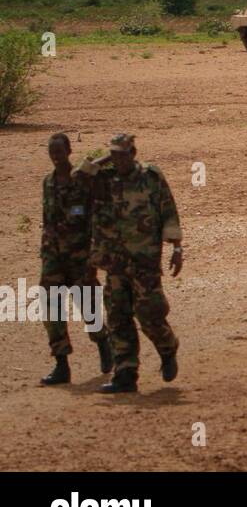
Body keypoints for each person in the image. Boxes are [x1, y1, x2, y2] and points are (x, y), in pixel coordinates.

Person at [77, 134, 184, 394]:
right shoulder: (105, 177)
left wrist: (177, 247)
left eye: (122, 154)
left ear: (133, 153)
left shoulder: (150, 177)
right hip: (114, 261)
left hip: (143, 259)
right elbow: (78, 177)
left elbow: (168, 210)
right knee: (118, 316)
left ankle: (167, 347)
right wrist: (105, 158)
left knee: (150, 313)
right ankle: (125, 373)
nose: (119, 159)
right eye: (114, 154)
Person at [38, 134, 113, 385]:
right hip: (53, 258)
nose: (56, 156)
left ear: (69, 151)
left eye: (60, 151)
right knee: (51, 307)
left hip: (80, 257)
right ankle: (61, 364)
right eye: (52, 152)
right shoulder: (48, 183)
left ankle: (103, 342)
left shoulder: (82, 179)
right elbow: (47, 220)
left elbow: (95, 220)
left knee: (87, 306)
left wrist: (94, 259)